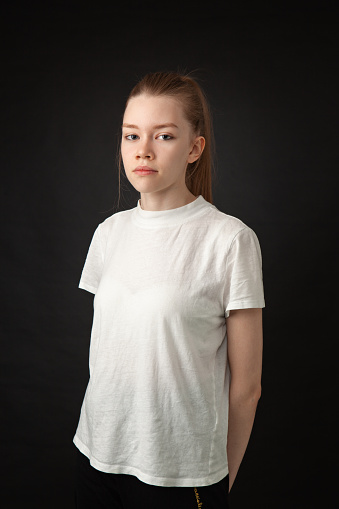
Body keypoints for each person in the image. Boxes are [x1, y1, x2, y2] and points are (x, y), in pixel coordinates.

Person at [73, 71, 265, 509]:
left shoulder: (230, 240)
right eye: (131, 135)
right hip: (94, 458)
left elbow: (248, 387)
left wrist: (218, 482)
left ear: (194, 148)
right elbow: (114, 353)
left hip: (180, 477)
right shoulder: (108, 233)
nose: (142, 150)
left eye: (163, 135)